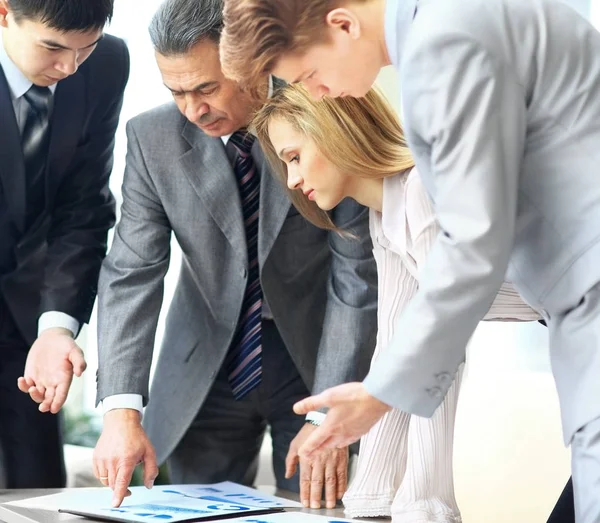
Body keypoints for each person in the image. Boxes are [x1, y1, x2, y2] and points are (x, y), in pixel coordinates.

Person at [91, 0, 377, 510]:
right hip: (206, 364)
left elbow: (355, 270)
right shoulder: (151, 138)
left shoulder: (322, 102)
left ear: (246, 64)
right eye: (175, 92)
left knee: (319, 508)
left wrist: (328, 413)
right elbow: (132, 272)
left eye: (206, 88)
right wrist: (120, 410)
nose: (192, 109)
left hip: (315, 355)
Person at [252, 82, 540, 522]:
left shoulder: (424, 188)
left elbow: (441, 345)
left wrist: (425, 502)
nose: (292, 180)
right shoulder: (385, 218)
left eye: (294, 157)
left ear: (335, 129)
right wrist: (372, 496)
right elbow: (395, 343)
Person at [0, 0, 128, 488]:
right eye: (52, 47)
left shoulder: (107, 64)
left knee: (38, 489)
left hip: (28, 318)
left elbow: (84, 209)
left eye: (85, 48)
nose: (69, 67)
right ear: (4, 12)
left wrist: (56, 327)